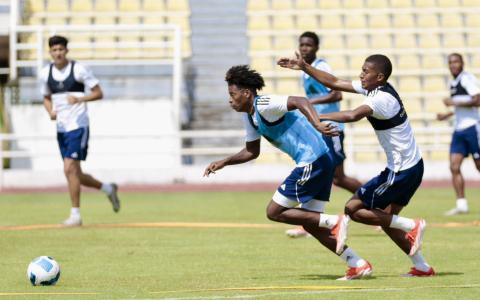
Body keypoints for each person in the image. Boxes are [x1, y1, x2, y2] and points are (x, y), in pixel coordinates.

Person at [204, 65, 372, 280]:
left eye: (232, 94)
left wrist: (317, 123)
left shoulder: (263, 104)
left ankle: (334, 221)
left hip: (313, 160)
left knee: (274, 212)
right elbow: (251, 151)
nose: (230, 100)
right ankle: (357, 263)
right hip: (321, 160)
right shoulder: (250, 116)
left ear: (246, 93)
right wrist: (225, 162)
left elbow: (300, 101)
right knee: (312, 225)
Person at [278, 53, 435, 277]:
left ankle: (413, 226)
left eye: (365, 71)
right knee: (389, 221)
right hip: (411, 167)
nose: (361, 75)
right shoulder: (375, 89)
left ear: (379, 76)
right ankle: (422, 267)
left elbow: (352, 115)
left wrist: (313, 116)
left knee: (353, 209)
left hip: (401, 170)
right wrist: (304, 67)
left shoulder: (381, 99)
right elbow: (333, 82)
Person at [286, 32, 362, 238]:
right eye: (302, 44)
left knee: (338, 177)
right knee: (321, 173)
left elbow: (337, 94)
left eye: (309, 45)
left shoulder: (321, 67)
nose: (304, 48)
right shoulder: (304, 70)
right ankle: (310, 222)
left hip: (331, 128)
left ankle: (379, 202)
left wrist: (310, 103)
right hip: (319, 128)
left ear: (316, 48)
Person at [41, 35, 120, 226]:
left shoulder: (79, 69)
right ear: (50, 52)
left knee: (69, 168)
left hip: (78, 126)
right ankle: (108, 189)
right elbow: (46, 97)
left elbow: (98, 93)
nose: (58, 53)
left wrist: (80, 99)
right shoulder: (45, 73)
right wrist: (50, 111)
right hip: (61, 128)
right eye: (54, 50)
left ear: (66, 50)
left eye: (61, 49)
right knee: (74, 173)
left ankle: (75, 215)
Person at [437, 53, 480, 216]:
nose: (453, 65)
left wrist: (454, 102)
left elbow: (478, 100)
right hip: (459, 130)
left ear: (462, 63)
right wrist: (446, 115)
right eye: (450, 62)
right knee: (454, 166)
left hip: (472, 128)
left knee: (478, 165)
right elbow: (460, 108)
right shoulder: (453, 83)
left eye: (456, 61)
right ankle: (461, 204)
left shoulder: (467, 79)